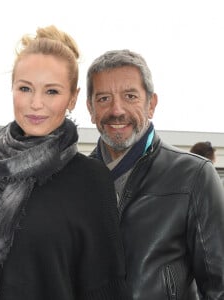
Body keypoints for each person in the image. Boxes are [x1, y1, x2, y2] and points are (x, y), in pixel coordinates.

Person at [0, 26, 127, 300]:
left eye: (51, 91)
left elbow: (105, 286)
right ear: (12, 89)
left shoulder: (91, 180)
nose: (36, 103)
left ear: (72, 98)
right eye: (25, 88)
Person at [86, 49, 224, 299]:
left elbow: (219, 286)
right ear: (91, 108)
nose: (117, 110)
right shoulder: (74, 180)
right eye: (104, 98)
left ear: (151, 104)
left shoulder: (194, 176)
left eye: (130, 96)